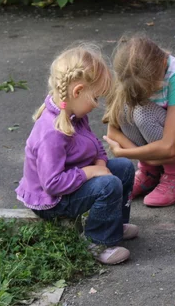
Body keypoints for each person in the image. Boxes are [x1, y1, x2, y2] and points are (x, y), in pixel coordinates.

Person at [15, 44, 137, 265]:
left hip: (70, 179)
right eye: (96, 98)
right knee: (109, 185)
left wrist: (100, 161)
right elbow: (52, 184)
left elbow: (93, 144)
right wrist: (90, 172)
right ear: (78, 91)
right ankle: (97, 242)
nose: (96, 105)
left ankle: (114, 224)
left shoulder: (73, 112)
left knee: (124, 168)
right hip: (52, 201)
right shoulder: (51, 133)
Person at [102, 34, 175, 207]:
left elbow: (169, 148)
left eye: (152, 88)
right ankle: (151, 173)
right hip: (162, 153)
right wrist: (150, 161)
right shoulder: (130, 72)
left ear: (162, 63)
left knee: (142, 111)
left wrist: (125, 153)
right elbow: (112, 131)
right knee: (126, 106)